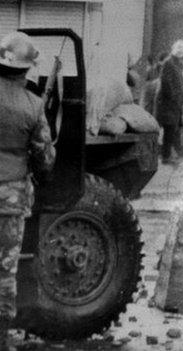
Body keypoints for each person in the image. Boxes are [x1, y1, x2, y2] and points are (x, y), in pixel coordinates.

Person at [0, 32, 56, 350]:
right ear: (27, 68)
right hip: (9, 201)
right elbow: (45, 161)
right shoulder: (33, 106)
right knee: (4, 271)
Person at [155, 40, 183, 165]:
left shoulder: (179, 63)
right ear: (172, 48)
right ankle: (166, 157)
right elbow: (166, 82)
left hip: (175, 102)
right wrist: (174, 97)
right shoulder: (168, 62)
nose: (181, 50)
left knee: (173, 128)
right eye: (178, 47)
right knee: (169, 128)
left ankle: (169, 155)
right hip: (168, 101)